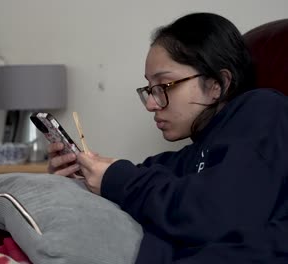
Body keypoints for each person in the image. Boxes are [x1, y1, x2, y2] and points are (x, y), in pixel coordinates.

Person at [48, 13, 288, 264]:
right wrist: (79, 178)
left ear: (218, 84)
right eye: (150, 89)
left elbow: (217, 212)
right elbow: (138, 179)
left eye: (164, 85)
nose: (151, 104)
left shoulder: (264, 110)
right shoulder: (189, 158)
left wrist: (118, 180)